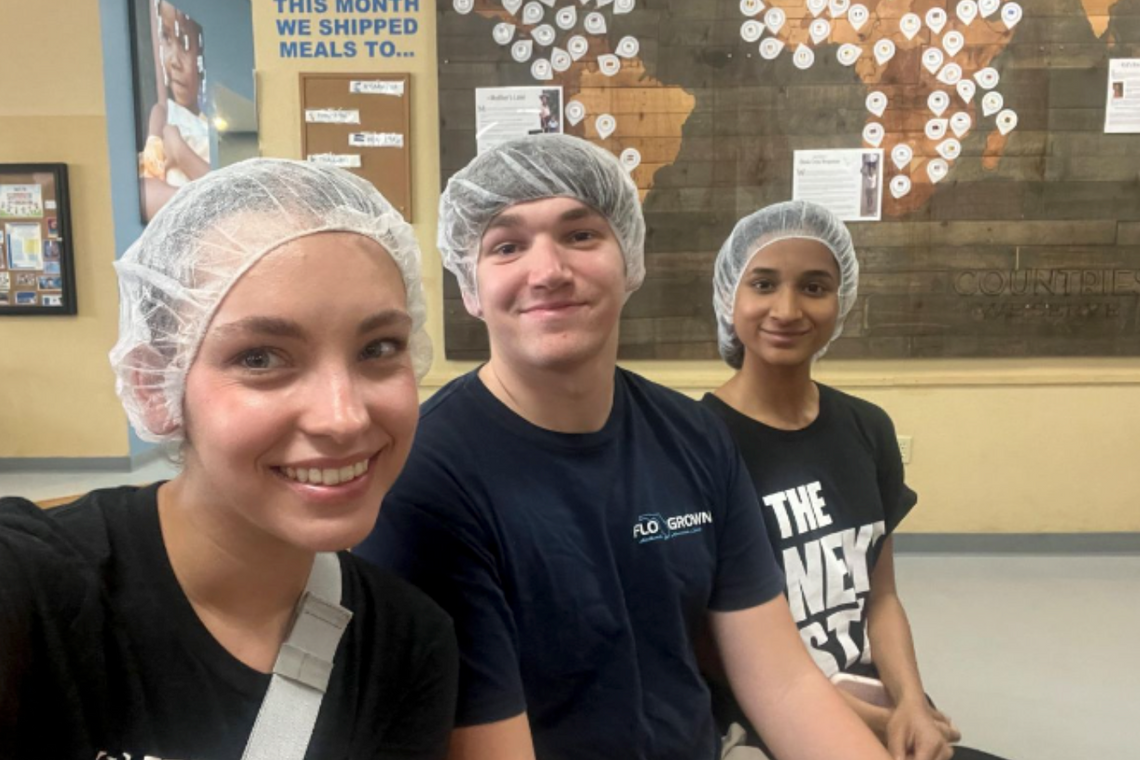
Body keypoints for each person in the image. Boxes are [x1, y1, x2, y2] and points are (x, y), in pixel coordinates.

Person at [356, 134, 891, 760]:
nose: (549, 271)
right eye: (507, 245)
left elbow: (785, 682)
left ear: (629, 259)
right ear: (470, 288)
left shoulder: (694, 437)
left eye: (581, 235)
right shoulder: (426, 476)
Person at [0, 159, 458, 759]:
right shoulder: (28, 591)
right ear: (155, 383)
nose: (343, 417)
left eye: (378, 348)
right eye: (261, 358)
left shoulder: (405, 644)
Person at [704, 200, 1006, 760]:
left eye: (814, 287)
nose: (787, 309)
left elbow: (881, 596)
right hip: (759, 714)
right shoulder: (698, 444)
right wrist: (874, 721)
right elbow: (711, 644)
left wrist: (912, 701)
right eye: (764, 283)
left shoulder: (868, 429)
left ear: (840, 302)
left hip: (864, 685)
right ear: (730, 296)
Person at [139, 0, 212, 221]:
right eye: (167, 38)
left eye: (185, 44)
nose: (174, 61)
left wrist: (180, 152)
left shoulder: (214, 127)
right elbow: (144, 198)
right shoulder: (163, 118)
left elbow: (232, 197)